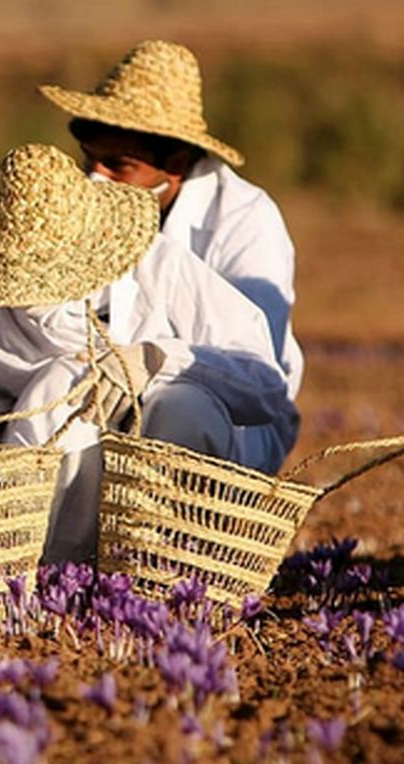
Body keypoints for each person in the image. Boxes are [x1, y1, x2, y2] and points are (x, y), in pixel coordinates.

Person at [0, 143, 294, 562]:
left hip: (171, 473)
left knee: (186, 407)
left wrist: (157, 360)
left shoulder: (157, 266)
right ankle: (51, 573)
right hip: (38, 505)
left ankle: (166, 571)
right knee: (60, 383)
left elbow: (264, 386)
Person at [40, 38, 303, 470]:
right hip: (109, 396)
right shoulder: (77, 210)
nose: (94, 178)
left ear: (176, 163)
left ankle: (169, 536)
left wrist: (154, 358)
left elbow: (255, 373)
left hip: (226, 416)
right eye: (90, 159)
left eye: (118, 165)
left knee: (181, 410)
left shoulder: (245, 220)